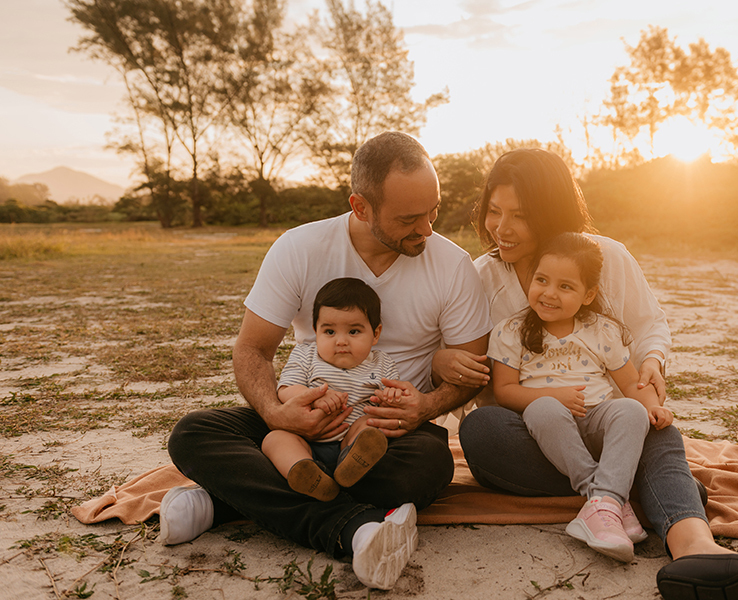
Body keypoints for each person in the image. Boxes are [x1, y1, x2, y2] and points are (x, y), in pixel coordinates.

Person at [438, 149, 738, 600]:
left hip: (607, 421)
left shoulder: (604, 257)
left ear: (552, 212)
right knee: (481, 430)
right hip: (528, 433)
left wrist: (651, 363)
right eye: (494, 211)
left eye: (521, 215)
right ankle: (633, 488)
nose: (502, 228)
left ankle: (695, 549)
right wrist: (444, 362)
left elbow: (649, 326)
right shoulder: (481, 276)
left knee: (650, 424)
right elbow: (457, 358)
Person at [160, 132, 492, 590]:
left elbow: (472, 371)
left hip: (386, 436)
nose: (427, 229)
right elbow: (252, 348)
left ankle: (225, 503)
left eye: (433, 211)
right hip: (302, 423)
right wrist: (278, 411)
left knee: (430, 465)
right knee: (195, 433)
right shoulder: (300, 248)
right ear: (360, 207)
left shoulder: (453, 266)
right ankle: (358, 528)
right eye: (409, 218)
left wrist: (427, 407)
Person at [490, 232, 673, 563]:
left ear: (588, 295)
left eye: (565, 286)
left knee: (630, 411)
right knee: (544, 407)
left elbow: (632, 385)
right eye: (542, 280)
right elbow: (503, 391)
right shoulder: (511, 331)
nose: (549, 293)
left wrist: (654, 407)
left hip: (597, 420)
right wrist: (554, 395)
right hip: (549, 427)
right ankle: (607, 501)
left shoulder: (601, 330)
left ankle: (602, 505)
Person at [261, 277, 406, 502]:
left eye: (354, 332)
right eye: (329, 332)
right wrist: (315, 397)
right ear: (315, 331)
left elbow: (392, 401)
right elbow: (286, 388)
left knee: (370, 426)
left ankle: (352, 463)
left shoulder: (382, 363)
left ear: (375, 334)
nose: (341, 341)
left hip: (351, 439)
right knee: (275, 438)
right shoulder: (305, 355)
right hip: (305, 440)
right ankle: (304, 472)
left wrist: (392, 397)